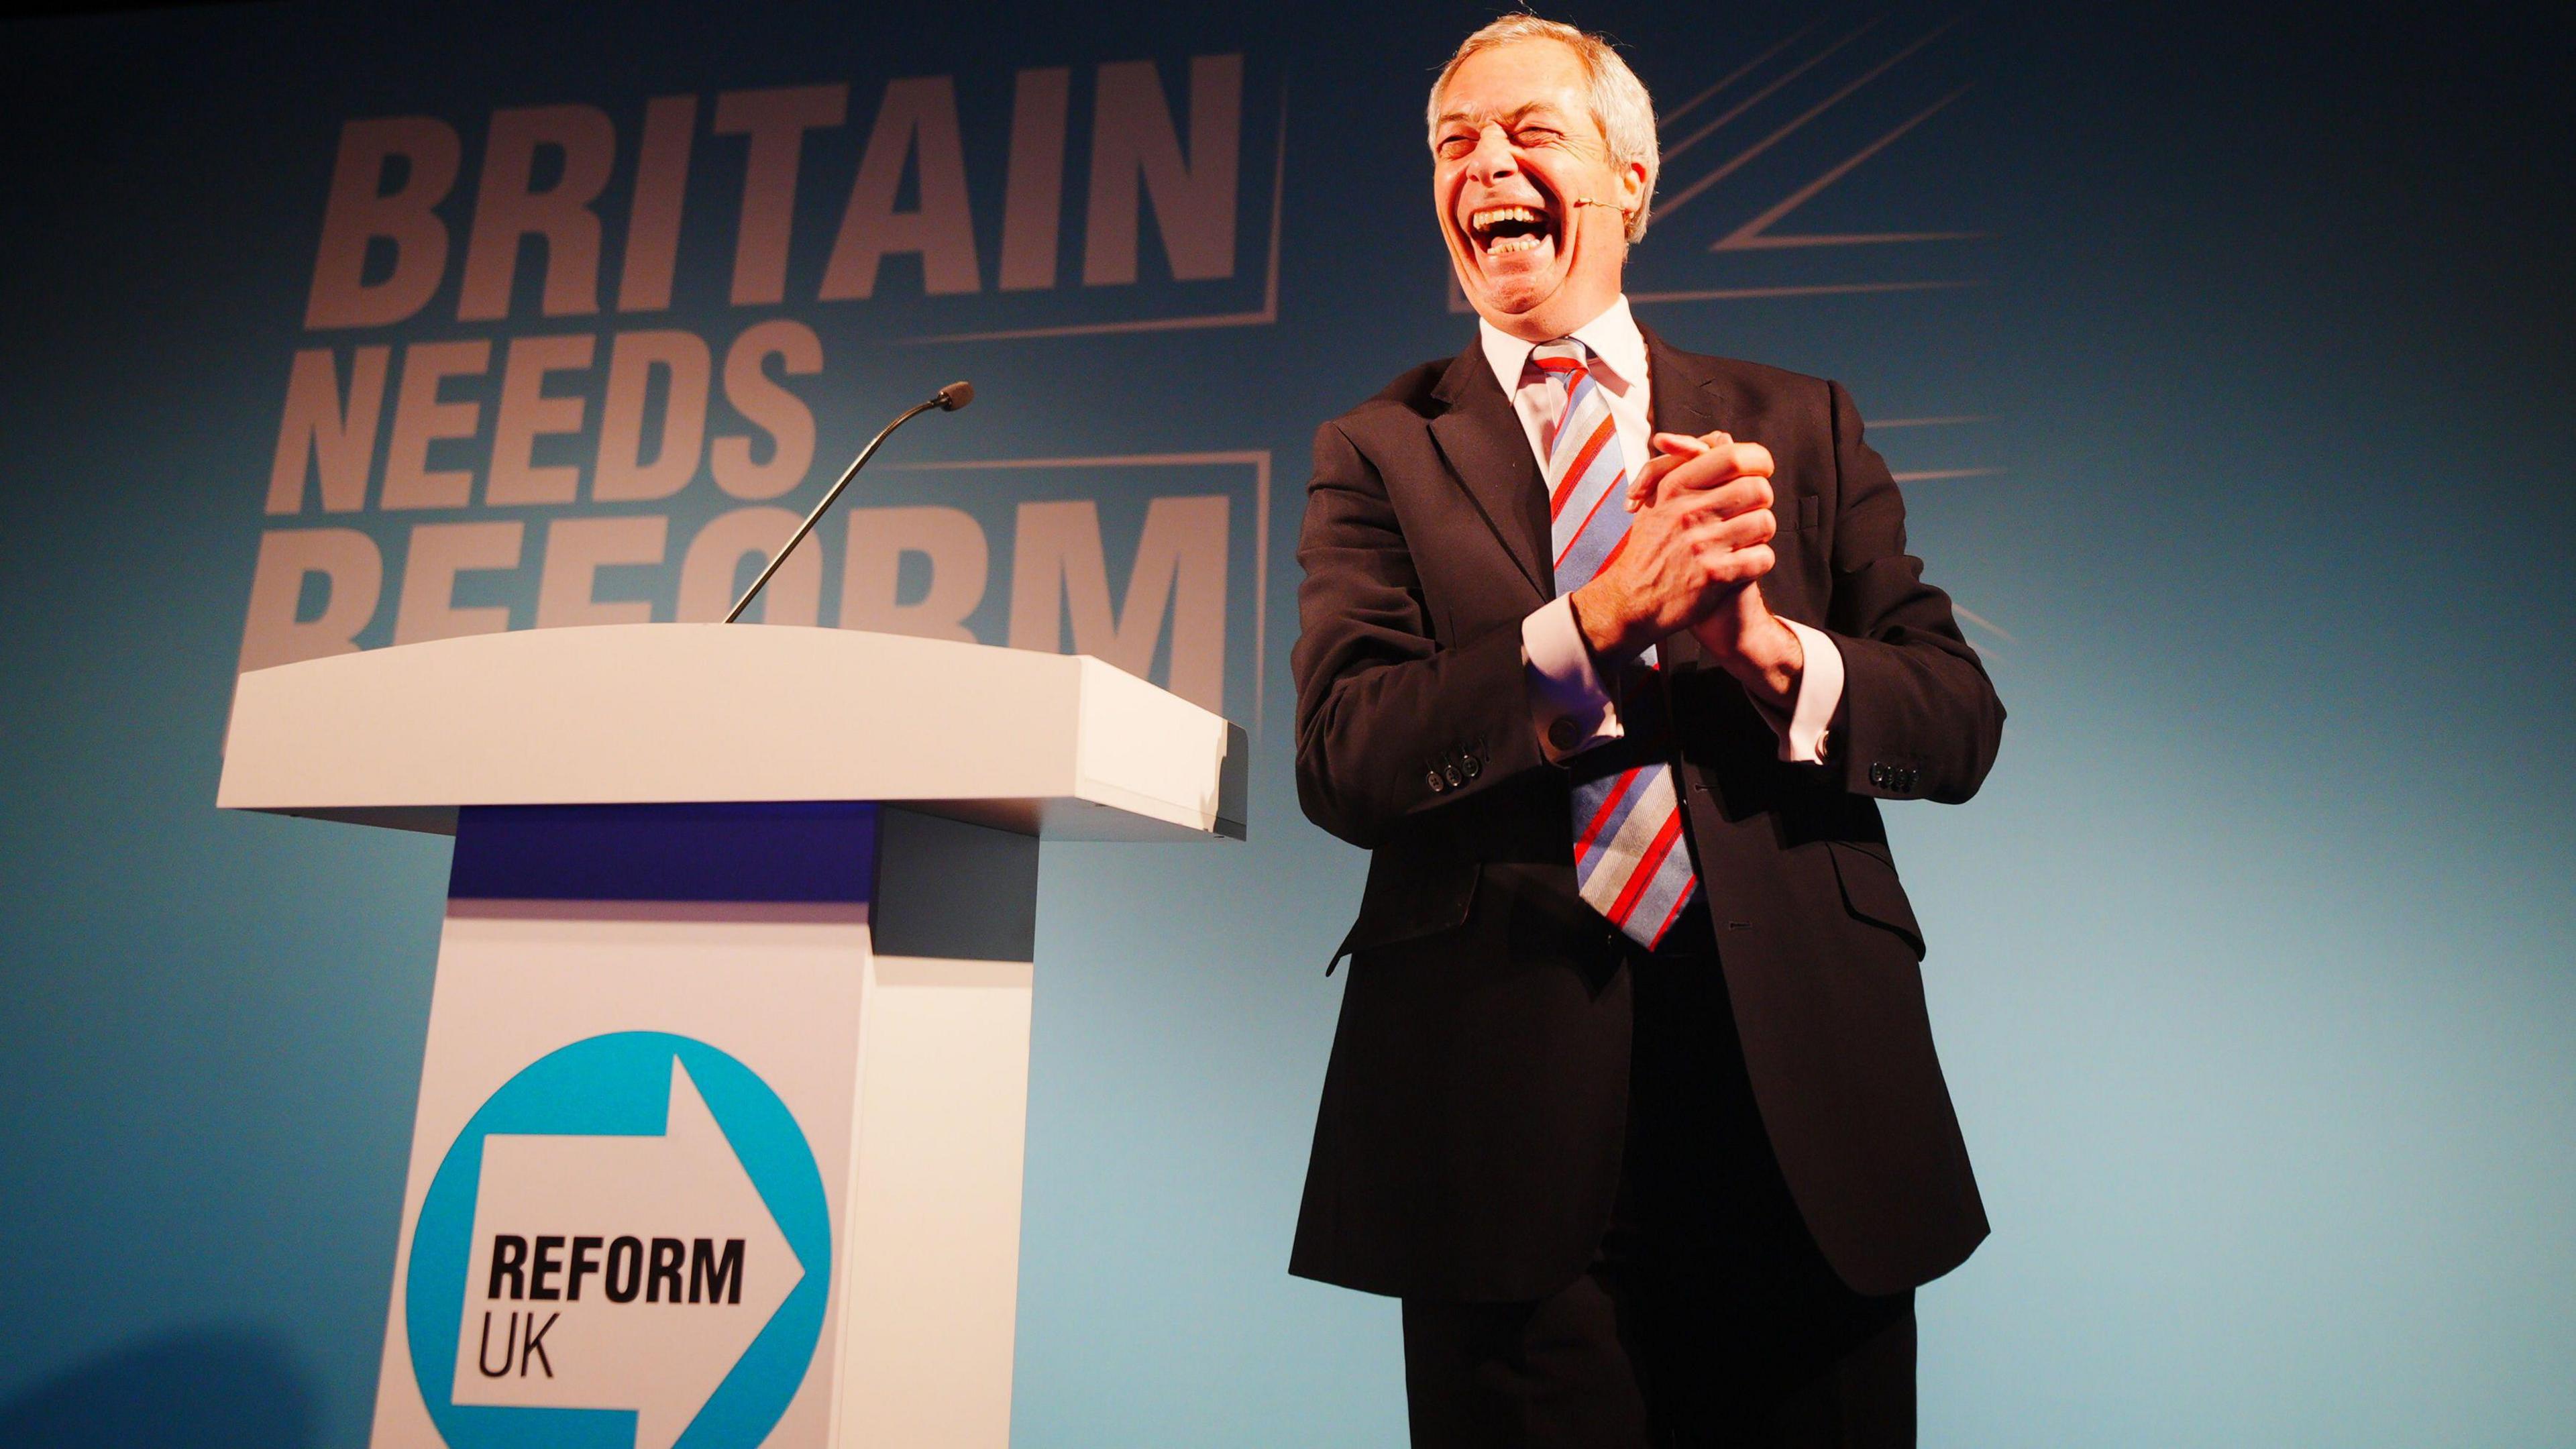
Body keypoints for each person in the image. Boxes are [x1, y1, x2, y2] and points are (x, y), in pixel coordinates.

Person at [1287, 16, 2006, 1447]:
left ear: (1628, 177)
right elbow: (1350, 752)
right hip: (1505, 1116)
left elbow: (1958, 720)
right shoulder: (1378, 449)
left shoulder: (1797, 426)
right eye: (1453, 144)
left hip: (1802, 1104)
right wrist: (1597, 622)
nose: (1485, 164)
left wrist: (1762, 651)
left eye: (1528, 132)